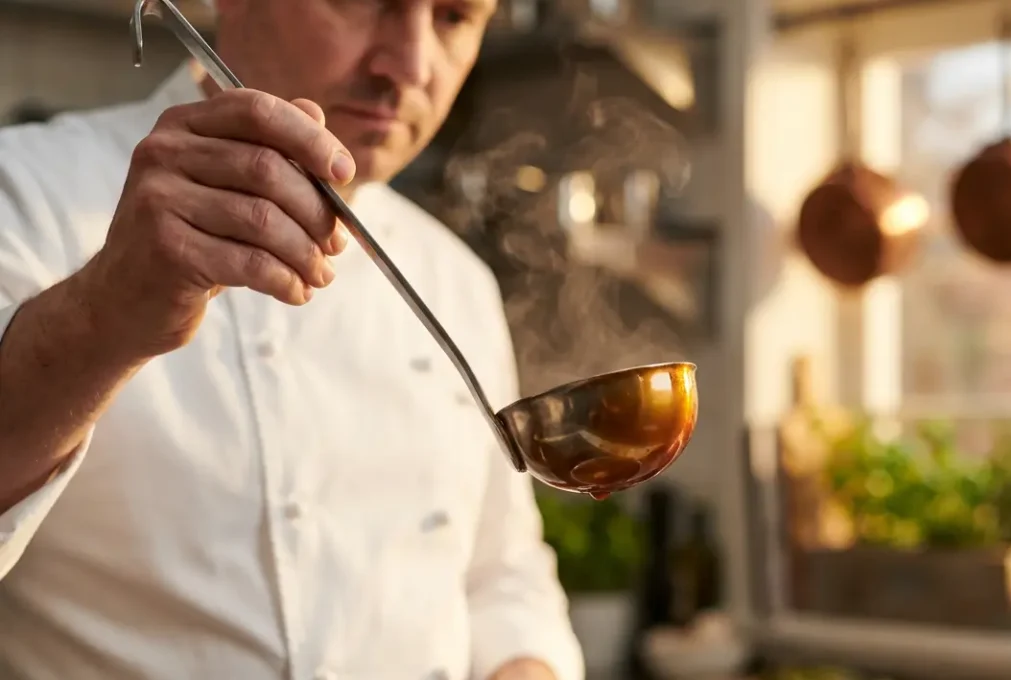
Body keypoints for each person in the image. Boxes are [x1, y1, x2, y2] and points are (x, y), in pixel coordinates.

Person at [0, 0, 584, 678]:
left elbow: (500, 577)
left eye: (454, 17)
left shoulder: (457, 279)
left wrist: (525, 665)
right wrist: (104, 314)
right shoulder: (23, 191)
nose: (411, 65)